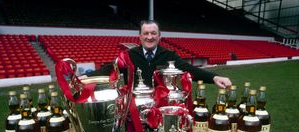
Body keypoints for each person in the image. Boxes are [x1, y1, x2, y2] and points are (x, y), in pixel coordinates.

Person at [89, 20, 232, 89]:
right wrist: (85, 77)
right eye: (146, 33)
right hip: (133, 110)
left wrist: (214, 77)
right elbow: (109, 68)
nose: (149, 37)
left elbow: (189, 70)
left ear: (159, 36)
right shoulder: (128, 55)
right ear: (140, 36)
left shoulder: (169, 55)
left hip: (161, 108)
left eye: (153, 33)